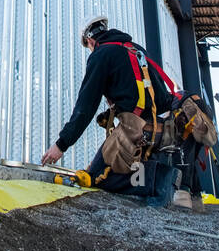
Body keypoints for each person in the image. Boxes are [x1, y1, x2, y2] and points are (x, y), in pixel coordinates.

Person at [41, 13, 182, 205]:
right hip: (162, 130)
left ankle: (158, 178)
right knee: (111, 169)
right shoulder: (136, 50)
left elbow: (85, 107)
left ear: (90, 40)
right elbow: (162, 96)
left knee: (99, 177)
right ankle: (163, 180)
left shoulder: (100, 55)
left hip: (136, 131)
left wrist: (61, 145)